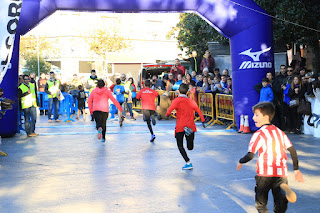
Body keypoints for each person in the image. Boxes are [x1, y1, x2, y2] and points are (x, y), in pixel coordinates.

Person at [237, 102, 304, 213]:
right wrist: (296, 170)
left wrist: (241, 161)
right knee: (280, 204)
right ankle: (282, 190)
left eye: (256, 115)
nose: (253, 118)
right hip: (281, 173)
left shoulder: (259, 134)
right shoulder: (280, 132)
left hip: (265, 173)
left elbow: (250, 155)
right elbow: (292, 151)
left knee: (261, 203)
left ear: (266, 117)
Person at [166, 83, 206, 170]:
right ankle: (188, 135)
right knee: (190, 147)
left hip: (180, 126)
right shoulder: (191, 101)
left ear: (179, 91)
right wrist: (203, 121)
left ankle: (188, 162)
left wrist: (167, 115)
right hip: (190, 125)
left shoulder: (176, 101)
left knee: (180, 145)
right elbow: (198, 111)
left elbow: (169, 111)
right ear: (187, 92)